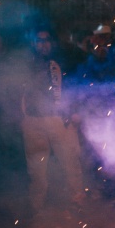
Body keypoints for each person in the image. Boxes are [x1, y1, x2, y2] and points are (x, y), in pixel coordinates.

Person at [20, 28, 84, 215]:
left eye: (46, 40)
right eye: (39, 41)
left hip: (59, 119)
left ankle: (77, 200)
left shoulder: (64, 61)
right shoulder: (25, 65)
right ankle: (36, 206)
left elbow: (74, 87)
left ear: (52, 42)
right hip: (33, 121)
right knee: (36, 168)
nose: (43, 44)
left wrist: (74, 112)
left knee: (70, 162)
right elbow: (16, 91)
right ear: (33, 43)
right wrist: (21, 117)